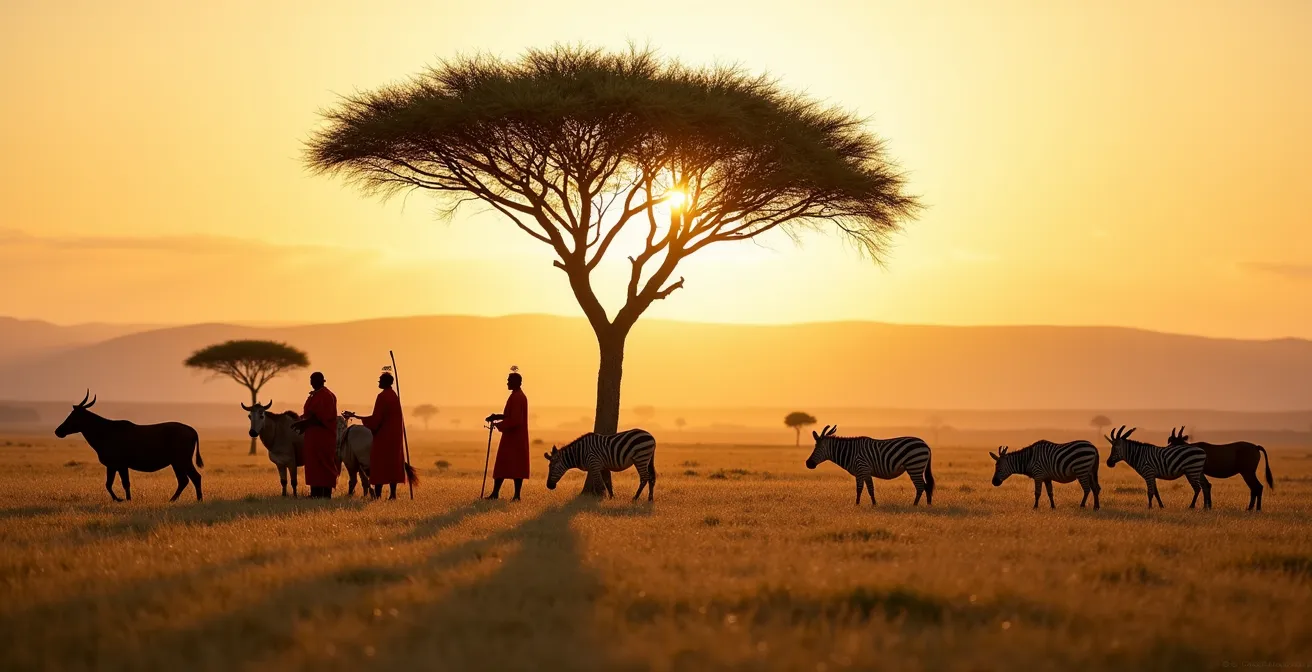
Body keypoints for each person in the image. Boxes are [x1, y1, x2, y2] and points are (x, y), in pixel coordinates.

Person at [344, 371, 406, 500]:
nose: (378, 382)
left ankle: (377, 495)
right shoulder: (394, 396)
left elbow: (376, 419)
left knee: (379, 464)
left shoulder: (382, 396)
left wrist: (357, 417)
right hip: (395, 437)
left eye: (380, 380)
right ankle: (392, 494)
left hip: (383, 437)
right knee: (392, 464)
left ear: (385, 382)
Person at [294, 371, 339, 498]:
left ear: (321, 381)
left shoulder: (326, 395)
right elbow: (309, 415)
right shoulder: (314, 395)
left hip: (323, 436)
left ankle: (326, 494)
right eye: (311, 380)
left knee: (324, 464)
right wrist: (299, 420)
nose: (312, 383)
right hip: (312, 436)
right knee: (313, 465)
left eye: (314, 380)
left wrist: (303, 424)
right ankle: (315, 493)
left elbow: (321, 417)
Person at [487, 368, 529, 500]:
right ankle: (503, 494)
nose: (507, 383)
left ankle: (505, 494)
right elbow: (509, 416)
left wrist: (498, 424)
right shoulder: (517, 395)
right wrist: (497, 416)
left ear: (516, 382)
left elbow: (515, 420)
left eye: (509, 380)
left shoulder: (517, 397)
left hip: (514, 437)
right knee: (510, 465)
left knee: (507, 464)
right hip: (515, 437)